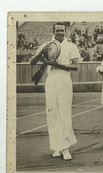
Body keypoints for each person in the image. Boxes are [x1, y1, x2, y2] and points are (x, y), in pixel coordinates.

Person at [30, 22, 80, 160]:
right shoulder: (47, 45)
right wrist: (41, 52)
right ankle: (57, 146)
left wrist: (58, 65)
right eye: (57, 30)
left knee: (64, 112)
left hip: (65, 79)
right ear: (53, 31)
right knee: (52, 113)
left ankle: (65, 148)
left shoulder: (71, 46)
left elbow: (76, 67)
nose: (59, 33)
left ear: (65, 31)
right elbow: (32, 62)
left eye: (62, 30)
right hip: (51, 79)